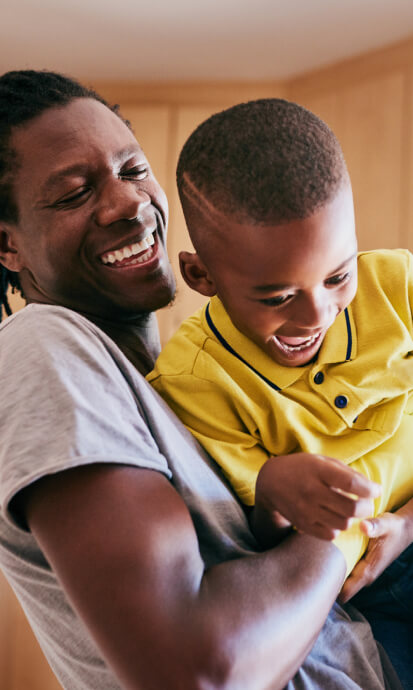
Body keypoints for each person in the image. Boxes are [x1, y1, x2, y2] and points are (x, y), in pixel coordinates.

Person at [0, 71, 402, 690]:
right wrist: (352, 522)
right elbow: (198, 672)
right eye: (74, 193)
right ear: (5, 242)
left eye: (132, 169)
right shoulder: (43, 353)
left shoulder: (175, 380)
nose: (127, 202)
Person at [148, 98, 413, 686]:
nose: (314, 314)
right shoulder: (192, 380)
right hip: (363, 590)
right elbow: (249, 531)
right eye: (275, 297)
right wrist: (271, 487)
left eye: (338, 275)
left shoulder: (399, 284)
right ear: (201, 277)